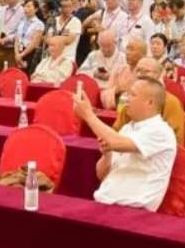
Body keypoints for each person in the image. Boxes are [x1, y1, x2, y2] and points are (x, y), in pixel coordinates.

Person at [74, 77, 178, 209]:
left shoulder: (160, 131)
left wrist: (88, 115)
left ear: (150, 102)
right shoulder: (127, 128)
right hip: (105, 202)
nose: (126, 99)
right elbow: (101, 175)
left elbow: (114, 142)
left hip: (134, 210)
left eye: (132, 95)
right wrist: (107, 154)